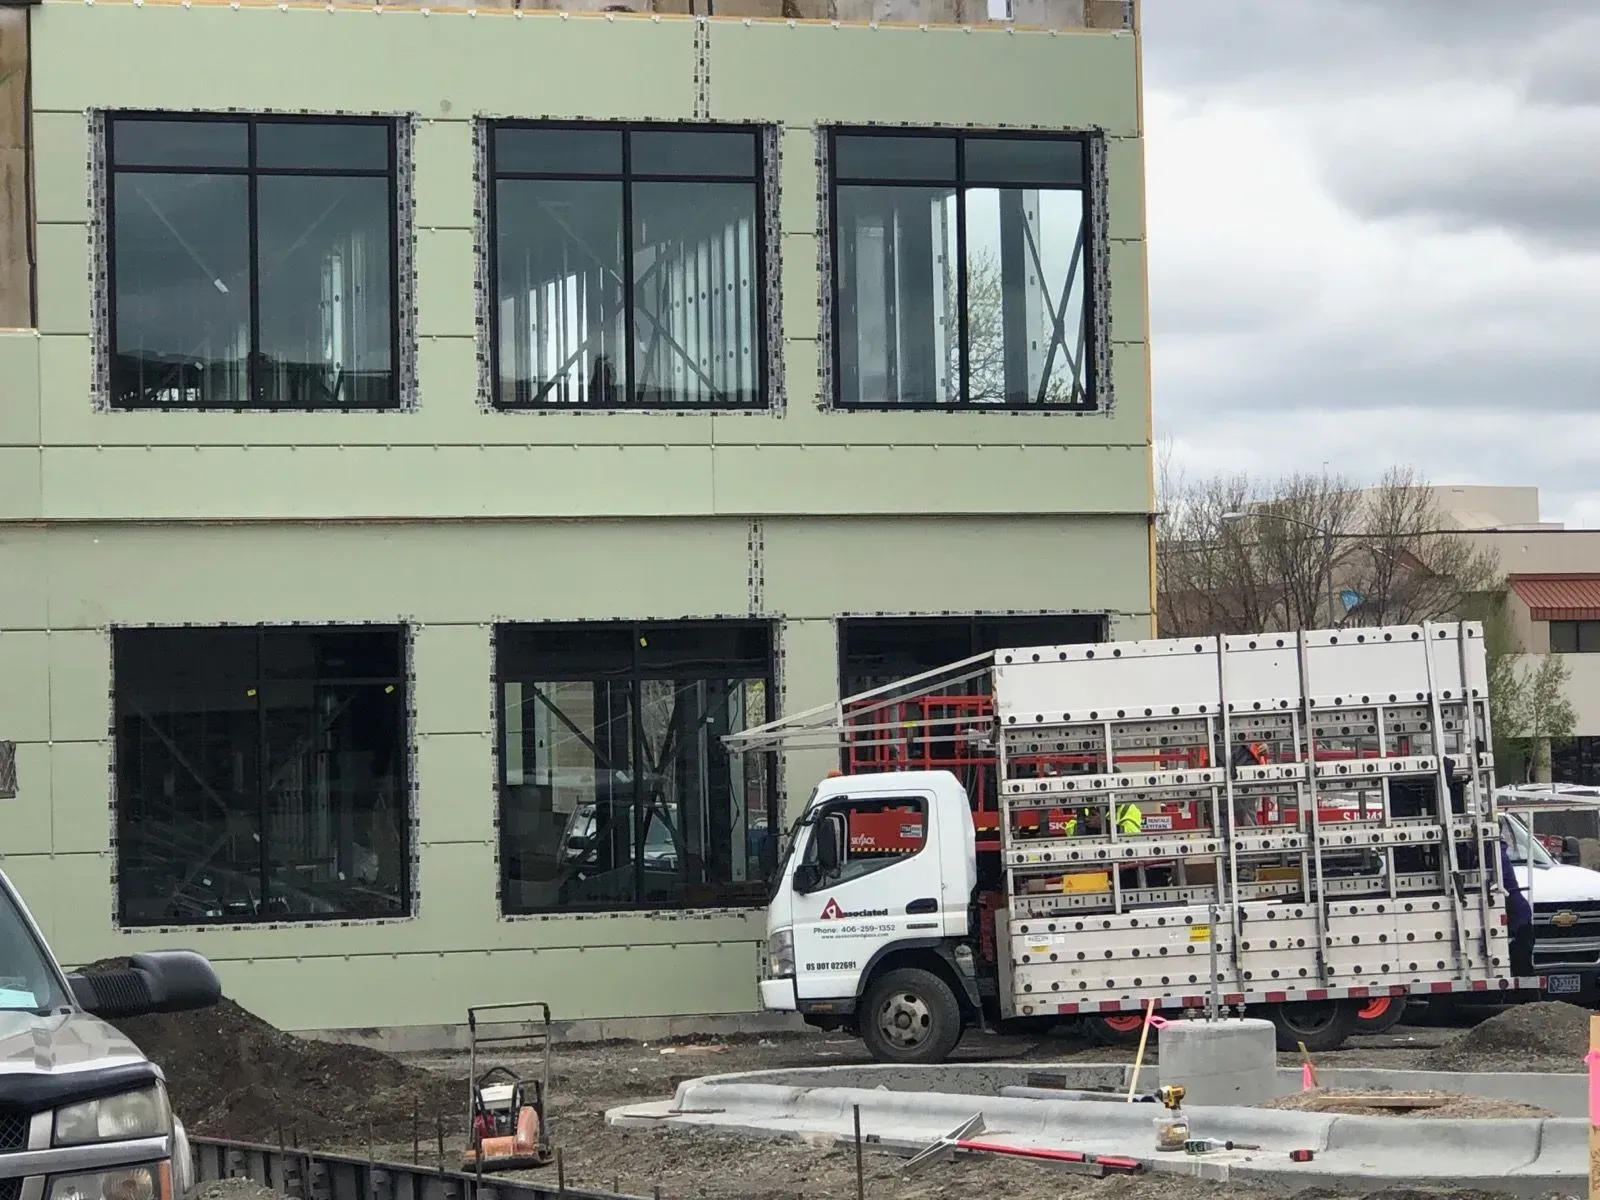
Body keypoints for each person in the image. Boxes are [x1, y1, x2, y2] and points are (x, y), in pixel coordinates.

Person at [1500, 837, 1534, 977]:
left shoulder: (1497, 856)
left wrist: (1512, 932)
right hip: (1518, 918)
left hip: (1519, 920)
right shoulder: (1495, 853)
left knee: (1521, 971)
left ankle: (1528, 991)